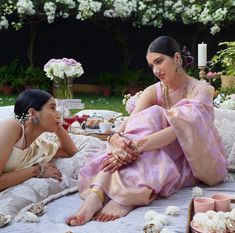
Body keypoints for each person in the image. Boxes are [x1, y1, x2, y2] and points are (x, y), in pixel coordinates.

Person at [66, 36, 228, 226]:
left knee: (157, 115)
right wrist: (116, 141)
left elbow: (178, 132)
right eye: (151, 65)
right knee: (149, 121)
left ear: (177, 58)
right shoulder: (154, 90)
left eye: (159, 61)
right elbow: (129, 124)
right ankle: (99, 194)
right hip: (153, 151)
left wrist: (133, 147)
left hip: (190, 157)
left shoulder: (200, 90)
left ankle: (125, 198)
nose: (156, 70)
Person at [0, 89, 78, 191]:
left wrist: (57, 125)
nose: (58, 114)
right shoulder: (11, 126)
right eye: (52, 108)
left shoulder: (37, 146)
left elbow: (70, 151)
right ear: (33, 113)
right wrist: (37, 170)